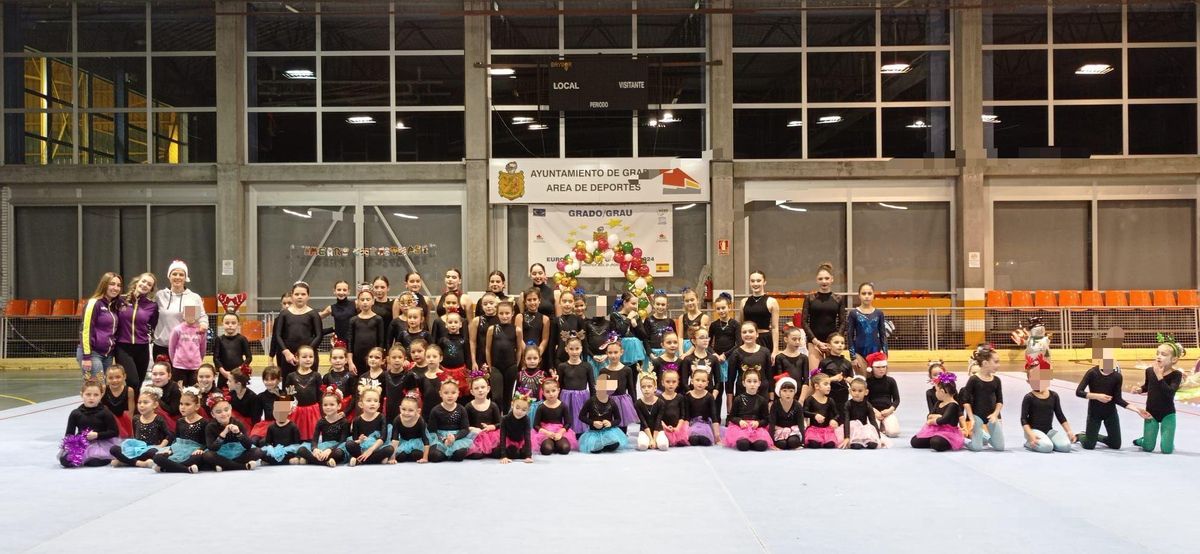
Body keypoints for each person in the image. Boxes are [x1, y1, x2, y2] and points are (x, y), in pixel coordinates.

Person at [1130, 337, 1185, 454]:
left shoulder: (1176, 375)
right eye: (1157, 353)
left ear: (1174, 359)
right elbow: (1147, 386)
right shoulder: (1150, 371)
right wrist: (1139, 389)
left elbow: (1170, 393)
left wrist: (1160, 376)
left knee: (1167, 450)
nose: (1159, 356)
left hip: (1168, 414)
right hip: (1151, 413)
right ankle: (1142, 440)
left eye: (1164, 354)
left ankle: (1168, 441)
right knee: (1148, 447)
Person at [152, 260, 207, 363]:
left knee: (179, 379)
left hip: (184, 347)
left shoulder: (193, 298)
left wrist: (203, 324)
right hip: (162, 346)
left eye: (181, 274)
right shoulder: (159, 295)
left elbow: (201, 317)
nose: (178, 277)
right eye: (174, 274)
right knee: (163, 378)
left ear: (185, 278)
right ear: (169, 276)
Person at [59, 380, 121, 467]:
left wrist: (97, 435)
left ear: (101, 395)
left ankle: (105, 457)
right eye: (88, 394)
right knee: (64, 461)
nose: (92, 398)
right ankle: (83, 458)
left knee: (93, 462)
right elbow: (69, 434)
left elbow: (114, 432)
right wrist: (71, 446)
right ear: (82, 394)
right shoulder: (75, 413)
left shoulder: (105, 413)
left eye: (96, 395)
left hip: (101, 444)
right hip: (81, 444)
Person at [109, 385, 172, 468]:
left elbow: (169, 435)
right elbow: (135, 437)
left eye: (146, 402)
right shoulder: (136, 418)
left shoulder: (158, 419)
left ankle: (125, 461)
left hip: (150, 448)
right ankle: (140, 463)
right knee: (114, 449)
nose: (141, 405)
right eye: (139, 402)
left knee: (153, 452)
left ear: (155, 404)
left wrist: (161, 446)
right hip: (136, 448)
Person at [114, 272, 158, 390]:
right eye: (143, 281)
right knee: (132, 381)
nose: (145, 285)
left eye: (149, 284)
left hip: (142, 348)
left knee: (139, 383)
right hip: (123, 348)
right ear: (137, 282)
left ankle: (136, 408)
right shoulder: (120, 300)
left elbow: (154, 325)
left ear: (151, 289)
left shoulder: (152, 306)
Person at [273, 282, 324, 379]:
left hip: (308, 357)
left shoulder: (313, 314)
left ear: (308, 296)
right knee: (288, 386)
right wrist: (286, 352)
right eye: (297, 294)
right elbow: (278, 335)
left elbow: (319, 335)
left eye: (303, 294)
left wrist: (306, 354)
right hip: (289, 357)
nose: (300, 297)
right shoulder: (284, 314)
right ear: (292, 295)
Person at [201, 390, 262, 471]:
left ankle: (224, 465)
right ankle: (243, 466)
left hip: (237, 452)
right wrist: (223, 434)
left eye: (226, 410)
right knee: (207, 455)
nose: (223, 414)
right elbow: (212, 448)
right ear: (213, 414)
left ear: (231, 409)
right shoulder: (210, 426)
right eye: (219, 412)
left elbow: (248, 445)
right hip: (220, 453)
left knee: (258, 451)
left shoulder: (238, 423)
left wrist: (238, 433)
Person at [78, 272, 123, 381]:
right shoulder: (94, 303)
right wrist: (87, 357)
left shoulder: (114, 305)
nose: (115, 288)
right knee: (97, 387)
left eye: (118, 285)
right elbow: (86, 330)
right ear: (104, 284)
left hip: (108, 355)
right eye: (112, 284)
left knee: (106, 388)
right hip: (93, 354)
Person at [151, 387, 208, 473]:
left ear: (197, 406)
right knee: (157, 457)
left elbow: (206, 442)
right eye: (181, 404)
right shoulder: (180, 421)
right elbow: (176, 438)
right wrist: (170, 449)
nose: (183, 407)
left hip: (194, 450)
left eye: (187, 404)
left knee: (198, 458)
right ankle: (186, 469)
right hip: (178, 449)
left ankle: (165, 468)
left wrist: (201, 449)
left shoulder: (204, 422)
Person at [1021, 366, 1075, 453]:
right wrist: (1030, 434)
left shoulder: (1054, 396)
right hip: (1033, 431)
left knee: (1066, 446)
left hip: (1048, 430)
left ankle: (1046, 440)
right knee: (1047, 447)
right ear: (1028, 381)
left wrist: (1069, 431)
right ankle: (1029, 443)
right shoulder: (1029, 397)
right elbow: (1023, 419)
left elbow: (1060, 415)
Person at [801, 262, 844, 370]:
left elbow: (843, 322)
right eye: (820, 279)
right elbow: (804, 322)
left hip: (832, 343)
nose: (824, 281)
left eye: (826, 278)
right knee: (815, 376)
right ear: (816, 280)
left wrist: (835, 340)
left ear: (832, 279)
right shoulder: (810, 298)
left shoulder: (838, 298)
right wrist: (815, 341)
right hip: (814, 342)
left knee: (833, 376)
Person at [962, 345, 1006, 452]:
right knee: (977, 448)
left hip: (991, 416)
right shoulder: (974, 379)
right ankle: (964, 441)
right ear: (985, 363)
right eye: (995, 362)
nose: (998, 365)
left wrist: (995, 414)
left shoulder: (996, 380)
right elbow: (966, 401)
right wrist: (971, 418)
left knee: (1000, 447)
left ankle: (985, 437)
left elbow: (1000, 401)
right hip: (977, 416)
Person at [295, 387, 350, 467]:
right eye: (325, 405)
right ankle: (326, 462)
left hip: (337, 447)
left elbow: (342, 441)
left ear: (339, 406)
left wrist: (330, 450)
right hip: (323, 447)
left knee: (339, 453)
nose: (328, 407)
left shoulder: (344, 422)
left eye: (332, 404)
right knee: (301, 449)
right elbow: (314, 440)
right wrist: (315, 449)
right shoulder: (321, 422)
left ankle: (311, 460)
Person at [911, 372, 965, 452]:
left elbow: (943, 420)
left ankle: (946, 442)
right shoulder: (938, 403)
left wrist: (933, 420)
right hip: (935, 429)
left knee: (936, 442)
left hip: (948, 432)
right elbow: (929, 416)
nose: (935, 393)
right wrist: (938, 416)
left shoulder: (953, 405)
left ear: (942, 392)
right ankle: (933, 440)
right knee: (914, 441)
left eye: (936, 391)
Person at [344, 384, 394, 466]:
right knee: (349, 444)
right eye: (369, 400)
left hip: (376, 447)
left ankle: (359, 460)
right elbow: (355, 439)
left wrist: (370, 450)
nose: (372, 403)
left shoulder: (381, 417)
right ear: (361, 404)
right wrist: (360, 440)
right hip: (362, 448)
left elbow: (383, 438)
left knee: (389, 449)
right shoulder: (357, 420)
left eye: (375, 401)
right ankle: (375, 459)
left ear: (378, 405)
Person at [577, 372, 628, 453]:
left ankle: (605, 445)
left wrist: (610, 423)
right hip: (594, 433)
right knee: (595, 449)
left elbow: (618, 419)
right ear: (596, 386)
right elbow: (581, 416)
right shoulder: (590, 401)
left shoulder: (612, 402)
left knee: (614, 445)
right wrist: (593, 423)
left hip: (608, 432)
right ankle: (600, 445)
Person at [426, 380, 474, 462]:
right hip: (439, 438)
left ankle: (451, 454)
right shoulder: (435, 410)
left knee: (460, 455)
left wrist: (455, 437)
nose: (450, 396)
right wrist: (444, 439)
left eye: (453, 392)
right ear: (440, 394)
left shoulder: (461, 409)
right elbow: (432, 431)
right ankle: (443, 454)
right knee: (434, 456)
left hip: (457, 438)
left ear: (458, 393)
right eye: (446, 393)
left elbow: (465, 429)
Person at [724, 369, 771, 452]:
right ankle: (747, 441)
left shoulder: (762, 400)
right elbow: (732, 416)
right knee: (743, 445)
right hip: (741, 428)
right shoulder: (738, 399)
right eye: (749, 381)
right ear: (743, 383)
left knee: (761, 446)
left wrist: (758, 423)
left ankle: (754, 441)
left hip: (756, 428)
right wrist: (739, 421)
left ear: (759, 383)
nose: (752, 384)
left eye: (755, 381)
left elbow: (766, 419)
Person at [845, 282, 887, 375]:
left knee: (876, 382)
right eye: (864, 293)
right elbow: (849, 336)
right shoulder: (853, 313)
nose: (867, 296)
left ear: (873, 295)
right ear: (859, 295)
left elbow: (883, 335)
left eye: (869, 293)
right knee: (863, 381)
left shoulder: (879, 313)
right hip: (859, 353)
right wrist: (853, 357)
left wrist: (885, 354)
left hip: (875, 352)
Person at [486, 300, 520, 410]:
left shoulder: (517, 330)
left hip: (511, 367)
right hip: (496, 367)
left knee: (508, 397)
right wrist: (490, 366)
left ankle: (505, 419)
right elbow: (487, 349)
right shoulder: (492, 329)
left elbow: (519, 349)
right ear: (497, 313)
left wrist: (516, 364)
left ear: (512, 313)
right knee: (497, 396)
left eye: (507, 313)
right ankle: (497, 420)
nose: (504, 316)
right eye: (501, 313)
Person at [598, 338, 638, 433]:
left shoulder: (627, 370)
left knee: (622, 430)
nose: (613, 355)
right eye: (610, 353)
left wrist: (635, 405)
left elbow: (631, 389)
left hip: (623, 403)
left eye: (616, 352)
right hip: (609, 404)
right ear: (606, 353)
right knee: (610, 429)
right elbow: (601, 393)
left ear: (621, 352)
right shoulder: (603, 371)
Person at [726, 321, 773, 402]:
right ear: (741, 335)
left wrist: (771, 399)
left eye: (751, 331)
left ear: (757, 334)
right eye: (744, 332)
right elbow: (730, 380)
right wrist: (729, 402)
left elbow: (769, 376)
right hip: (742, 394)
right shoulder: (736, 353)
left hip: (762, 394)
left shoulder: (765, 352)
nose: (747, 334)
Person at [556, 337, 594, 437]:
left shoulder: (587, 366)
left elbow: (592, 386)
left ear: (581, 348)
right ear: (566, 349)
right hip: (566, 397)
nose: (574, 352)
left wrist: (593, 402)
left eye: (577, 349)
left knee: (580, 418)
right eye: (571, 349)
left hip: (582, 397)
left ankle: (580, 435)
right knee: (568, 417)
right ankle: (567, 434)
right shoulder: (562, 366)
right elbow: (559, 385)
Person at [284, 345, 322, 440]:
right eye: (304, 357)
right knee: (296, 438)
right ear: (297, 358)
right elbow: (288, 395)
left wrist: (322, 413)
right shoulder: (291, 376)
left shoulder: (316, 376)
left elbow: (320, 395)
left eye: (311, 357)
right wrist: (284, 413)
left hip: (313, 411)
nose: (308, 359)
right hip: (296, 412)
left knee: (312, 437)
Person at [346, 287, 386, 375]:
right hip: (357, 358)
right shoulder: (353, 320)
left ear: (373, 301)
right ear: (358, 302)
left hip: (374, 358)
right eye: (362, 300)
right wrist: (350, 362)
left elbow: (381, 342)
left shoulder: (378, 319)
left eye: (368, 299)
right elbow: (350, 342)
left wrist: (379, 359)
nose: (365, 302)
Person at [168, 298, 207, 386]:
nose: (191, 316)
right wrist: (175, 361)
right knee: (179, 391)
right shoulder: (177, 330)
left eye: (193, 313)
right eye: (188, 313)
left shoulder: (201, 331)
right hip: (179, 366)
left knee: (195, 391)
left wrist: (198, 360)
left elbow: (203, 349)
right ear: (183, 314)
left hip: (195, 367)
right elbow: (171, 348)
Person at [740, 270, 781, 356]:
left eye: (758, 281)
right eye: (752, 281)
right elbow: (742, 324)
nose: (755, 284)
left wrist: (775, 350)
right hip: (748, 340)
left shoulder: (772, 302)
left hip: (765, 340)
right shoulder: (744, 302)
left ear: (764, 282)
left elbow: (775, 327)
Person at [533, 378, 577, 455]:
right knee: (547, 449)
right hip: (546, 432)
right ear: (543, 393)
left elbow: (568, 423)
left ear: (558, 390)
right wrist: (547, 433)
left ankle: (556, 444)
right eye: (547, 392)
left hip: (559, 431)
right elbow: (535, 425)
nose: (551, 394)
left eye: (553, 391)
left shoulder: (563, 406)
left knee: (565, 448)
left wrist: (560, 433)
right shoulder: (541, 407)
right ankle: (550, 444)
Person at [465, 372, 503, 459]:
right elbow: (465, 425)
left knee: (498, 453)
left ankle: (490, 450)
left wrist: (492, 426)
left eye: (483, 387)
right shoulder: (468, 406)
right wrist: (472, 428)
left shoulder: (493, 405)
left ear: (488, 389)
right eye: (476, 388)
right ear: (472, 391)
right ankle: (482, 451)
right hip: (475, 436)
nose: (480, 390)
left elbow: (500, 423)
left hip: (491, 435)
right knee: (476, 455)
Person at [863, 352, 900, 438]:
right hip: (873, 412)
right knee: (872, 433)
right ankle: (880, 425)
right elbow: (865, 400)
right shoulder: (867, 382)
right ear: (872, 368)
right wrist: (874, 411)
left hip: (887, 412)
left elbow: (896, 400)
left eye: (883, 367)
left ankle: (884, 424)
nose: (881, 369)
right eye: (878, 367)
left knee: (893, 433)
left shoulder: (891, 381)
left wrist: (890, 410)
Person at [842, 377, 884, 449]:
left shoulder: (868, 405)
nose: (856, 393)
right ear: (850, 391)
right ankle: (855, 441)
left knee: (872, 445)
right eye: (854, 390)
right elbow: (846, 421)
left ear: (866, 392)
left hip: (864, 428)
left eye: (860, 391)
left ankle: (867, 440)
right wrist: (846, 437)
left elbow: (873, 421)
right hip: (852, 429)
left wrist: (879, 437)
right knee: (856, 446)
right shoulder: (848, 404)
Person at [259, 397, 303, 466]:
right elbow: (268, 443)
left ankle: (275, 461)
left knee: (298, 452)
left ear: (289, 411)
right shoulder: (271, 427)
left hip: (288, 451)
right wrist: (272, 450)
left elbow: (297, 444)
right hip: (275, 451)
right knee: (261, 453)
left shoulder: (293, 427)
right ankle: (285, 461)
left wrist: (290, 452)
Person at [213, 312, 252, 389]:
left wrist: (240, 369)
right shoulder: (219, 339)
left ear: (238, 324)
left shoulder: (242, 339)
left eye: (233, 323)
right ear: (222, 324)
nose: (230, 325)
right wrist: (223, 372)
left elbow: (249, 357)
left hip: (239, 374)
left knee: (239, 395)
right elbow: (216, 358)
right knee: (222, 396)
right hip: (224, 374)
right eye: (227, 323)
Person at [387, 395, 431, 463]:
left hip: (417, 443)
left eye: (410, 410)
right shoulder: (397, 420)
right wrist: (392, 458)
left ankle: (412, 455)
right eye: (403, 409)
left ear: (418, 411)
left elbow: (425, 440)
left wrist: (425, 458)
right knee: (400, 456)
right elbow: (395, 439)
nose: (406, 413)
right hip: (403, 442)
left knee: (416, 454)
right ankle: (406, 455)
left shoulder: (420, 421)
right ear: (400, 408)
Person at [683, 368, 720, 446]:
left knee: (705, 439)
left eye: (703, 381)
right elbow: (686, 416)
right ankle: (695, 437)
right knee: (693, 439)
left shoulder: (710, 397)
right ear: (692, 381)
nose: (700, 383)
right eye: (697, 380)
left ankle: (704, 437)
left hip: (705, 423)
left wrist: (717, 434)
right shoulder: (688, 396)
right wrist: (685, 432)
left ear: (707, 383)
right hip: (692, 423)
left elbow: (714, 416)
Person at [516, 288, 551, 369]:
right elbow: (519, 338)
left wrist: (537, 354)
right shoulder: (520, 317)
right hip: (524, 357)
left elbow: (545, 339)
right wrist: (526, 354)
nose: (532, 302)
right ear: (525, 302)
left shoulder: (545, 319)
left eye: (535, 299)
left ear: (539, 300)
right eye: (529, 300)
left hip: (538, 357)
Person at [773, 327, 811, 402]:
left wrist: (801, 400)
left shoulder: (804, 358)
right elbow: (779, 380)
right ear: (786, 339)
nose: (797, 342)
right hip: (784, 395)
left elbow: (806, 381)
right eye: (794, 339)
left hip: (799, 396)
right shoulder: (780, 357)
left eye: (799, 339)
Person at [803, 374, 840, 449]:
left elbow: (837, 414)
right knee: (814, 445)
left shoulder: (830, 400)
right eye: (826, 384)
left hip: (827, 430)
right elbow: (804, 412)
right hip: (814, 430)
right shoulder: (809, 399)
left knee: (830, 445)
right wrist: (814, 415)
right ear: (817, 386)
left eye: (829, 384)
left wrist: (834, 419)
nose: (829, 386)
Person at [634, 371, 669, 451]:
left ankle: (656, 440)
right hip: (644, 430)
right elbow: (643, 422)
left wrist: (654, 438)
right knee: (642, 446)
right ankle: (650, 441)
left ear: (655, 388)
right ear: (640, 388)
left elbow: (658, 421)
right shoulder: (638, 403)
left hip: (658, 429)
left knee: (663, 446)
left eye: (649, 386)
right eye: (643, 387)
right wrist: (651, 439)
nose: (646, 389)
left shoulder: (661, 402)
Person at [818, 333, 854, 408]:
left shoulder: (847, 363)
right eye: (836, 342)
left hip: (843, 395)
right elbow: (818, 381)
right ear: (829, 346)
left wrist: (851, 381)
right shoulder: (824, 362)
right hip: (828, 395)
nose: (840, 345)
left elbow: (851, 380)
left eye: (842, 343)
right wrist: (832, 379)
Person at [769, 377, 804, 450]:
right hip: (779, 431)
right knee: (782, 444)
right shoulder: (775, 405)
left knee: (793, 442)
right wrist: (771, 443)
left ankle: (793, 442)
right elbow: (772, 423)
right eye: (784, 391)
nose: (788, 394)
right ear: (779, 392)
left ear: (795, 392)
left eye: (791, 391)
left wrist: (802, 442)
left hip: (793, 431)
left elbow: (801, 423)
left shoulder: (797, 405)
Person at [499, 391, 534, 464]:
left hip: (520, 441)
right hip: (509, 441)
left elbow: (527, 437)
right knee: (511, 453)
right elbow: (502, 437)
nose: (520, 412)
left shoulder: (526, 419)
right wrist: (503, 456)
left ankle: (519, 452)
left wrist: (528, 456)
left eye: (524, 410)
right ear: (512, 405)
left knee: (523, 453)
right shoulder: (505, 419)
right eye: (517, 408)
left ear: (528, 411)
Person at [318, 280, 356, 347]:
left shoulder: (355, 305)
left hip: (354, 340)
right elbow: (317, 316)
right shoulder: (331, 308)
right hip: (339, 342)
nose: (341, 292)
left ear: (348, 292)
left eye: (344, 290)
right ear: (334, 291)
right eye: (339, 290)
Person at [102, 365, 135, 438]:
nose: (114, 380)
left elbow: (131, 411)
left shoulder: (129, 390)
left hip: (123, 421)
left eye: (118, 377)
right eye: (110, 378)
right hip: (107, 421)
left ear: (124, 376)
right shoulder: (103, 389)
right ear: (105, 378)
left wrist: (131, 428)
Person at [640, 293, 677, 357]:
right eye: (658, 304)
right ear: (653, 305)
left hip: (667, 353)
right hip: (653, 353)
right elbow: (645, 339)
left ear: (667, 306)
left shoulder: (670, 321)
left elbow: (674, 339)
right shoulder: (648, 320)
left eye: (663, 305)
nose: (660, 307)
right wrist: (650, 354)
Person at [554, 289, 585, 365]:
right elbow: (552, 344)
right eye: (564, 301)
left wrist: (585, 362)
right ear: (559, 303)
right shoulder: (555, 321)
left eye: (570, 301)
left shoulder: (579, 320)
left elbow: (584, 342)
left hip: (576, 360)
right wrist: (551, 365)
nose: (567, 304)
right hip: (560, 360)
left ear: (574, 303)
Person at [323, 346, 357, 416]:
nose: (338, 360)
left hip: (347, 410)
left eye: (341, 358)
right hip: (331, 409)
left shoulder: (351, 376)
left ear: (346, 360)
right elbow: (323, 396)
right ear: (330, 360)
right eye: (334, 358)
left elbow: (355, 396)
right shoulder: (326, 377)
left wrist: (346, 412)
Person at [676, 288, 709, 356]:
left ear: (697, 300)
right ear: (684, 302)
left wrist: (687, 354)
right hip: (684, 349)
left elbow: (702, 337)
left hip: (697, 348)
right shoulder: (682, 317)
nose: (690, 303)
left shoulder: (704, 317)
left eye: (692, 300)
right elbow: (680, 337)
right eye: (687, 301)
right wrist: (681, 353)